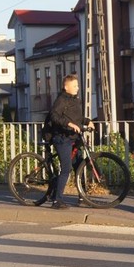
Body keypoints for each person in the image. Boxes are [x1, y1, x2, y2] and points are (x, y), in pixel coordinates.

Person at [48, 74, 94, 209]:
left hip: (73, 137)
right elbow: (54, 116)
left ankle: (82, 197)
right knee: (66, 168)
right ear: (66, 87)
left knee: (79, 166)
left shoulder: (75, 100)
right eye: (74, 86)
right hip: (62, 138)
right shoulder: (61, 100)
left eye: (77, 85)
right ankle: (57, 201)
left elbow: (77, 118)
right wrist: (69, 124)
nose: (77, 88)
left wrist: (87, 121)